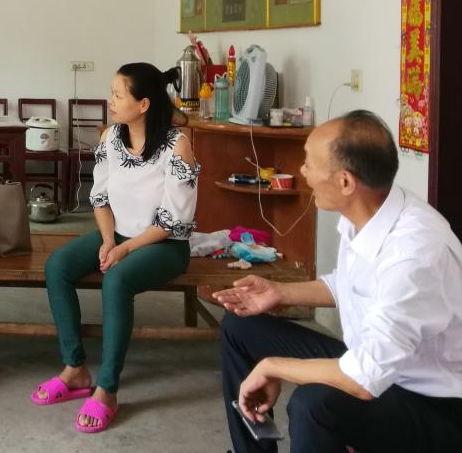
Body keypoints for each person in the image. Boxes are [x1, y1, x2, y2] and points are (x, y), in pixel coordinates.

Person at [215, 110, 462, 453]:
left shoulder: (413, 255)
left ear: (345, 182)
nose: (302, 171)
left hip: (432, 404)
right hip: (381, 364)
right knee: (240, 328)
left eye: (309, 163)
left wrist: (273, 366)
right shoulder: (369, 212)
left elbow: (364, 379)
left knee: (313, 405)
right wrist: (279, 292)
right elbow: (348, 285)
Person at [32, 63, 199, 433]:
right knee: (58, 266)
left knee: (117, 280)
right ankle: (75, 368)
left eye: (118, 95)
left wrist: (125, 250)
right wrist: (109, 240)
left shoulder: (178, 147)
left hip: (165, 244)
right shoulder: (110, 138)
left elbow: (173, 221)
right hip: (117, 234)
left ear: (143, 104)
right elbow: (100, 197)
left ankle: (107, 388)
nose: (110, 100)